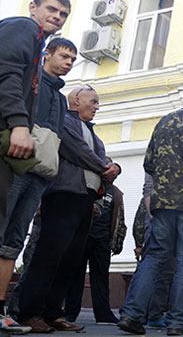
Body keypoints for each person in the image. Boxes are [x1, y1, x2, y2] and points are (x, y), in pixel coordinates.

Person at [118, 81, 183, 336]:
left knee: (154, 256)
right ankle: (177, 321)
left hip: (163, 202)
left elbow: (149, 163)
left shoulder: (165, 120)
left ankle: (132, 315)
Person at [16, 86, 121, 333]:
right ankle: (29, 312)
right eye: (93, 101)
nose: (97, 106)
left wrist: (115, 167)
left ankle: (53, 312)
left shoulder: (95, 135)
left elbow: (104, 163)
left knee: (71, 259)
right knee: (50, 254)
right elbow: (76, 151)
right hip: (64, 194)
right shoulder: (64, 120)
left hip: (85, 200)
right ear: (76, 99)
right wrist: (104, 167)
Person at [0, 36, 76, 333]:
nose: (68, 62)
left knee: (13, 241)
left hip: (41, 174)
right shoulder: (29, 81)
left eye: (72, 59)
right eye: (64, 56)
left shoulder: (59, 96)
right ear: (47, 54)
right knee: (3, 230)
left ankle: (3, 309)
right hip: (16, 166)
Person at [64, 183, 127, 324]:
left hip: (102, 240)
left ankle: (103, 313)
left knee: (101, 277)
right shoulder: (87, 184)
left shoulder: (115, 192)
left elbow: (119, 216)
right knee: (75, 276)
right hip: (81, 237)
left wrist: (118, 240)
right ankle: (70, 312)